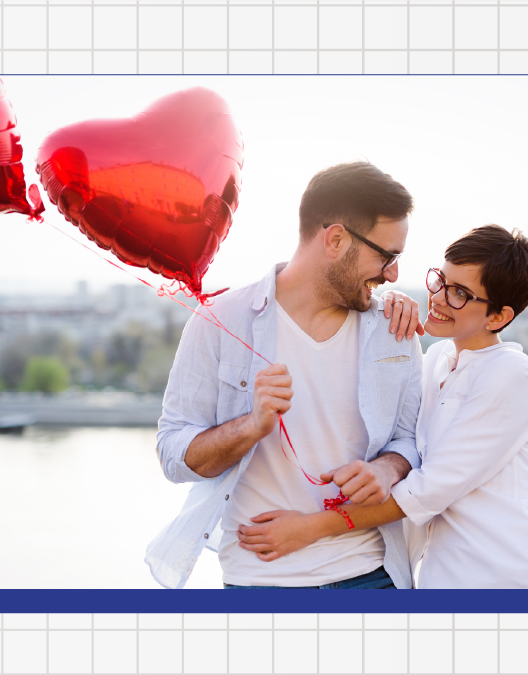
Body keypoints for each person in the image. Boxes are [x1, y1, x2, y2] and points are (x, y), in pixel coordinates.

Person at [235, 225, 528, 589]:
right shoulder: (439, 359)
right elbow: (403, 432)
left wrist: (309, 528)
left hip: (514, 577)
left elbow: (429, 489)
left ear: (498, 317)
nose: (439, 298)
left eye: (459, 293)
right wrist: (388, 302)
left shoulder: (511, 375)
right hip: (446, 578)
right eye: (441, 280)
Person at [146, 161, 428, 589]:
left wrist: (388, 469)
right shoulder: (221, 321)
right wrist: (252, 426)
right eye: (386, 256)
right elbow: (172, 454)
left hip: (372, 578)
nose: (392, 274)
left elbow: (411, 440)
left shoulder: (396, 331)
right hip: (258, 585)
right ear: (335, 239)